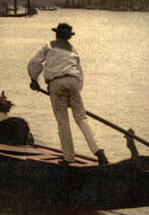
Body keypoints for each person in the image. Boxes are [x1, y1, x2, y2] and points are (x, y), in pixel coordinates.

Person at [27, 23, 109, 166]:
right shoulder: (73, 50)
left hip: (56, 84)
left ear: (56, 34)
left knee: (63, 122)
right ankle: (99, 152)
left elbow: (34, 62)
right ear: (69, 37)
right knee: (81, 118)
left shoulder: (49, 45)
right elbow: (80, 74)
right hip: (74, 82)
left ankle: (68, 158)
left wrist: (34, 79)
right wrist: (74, 96)